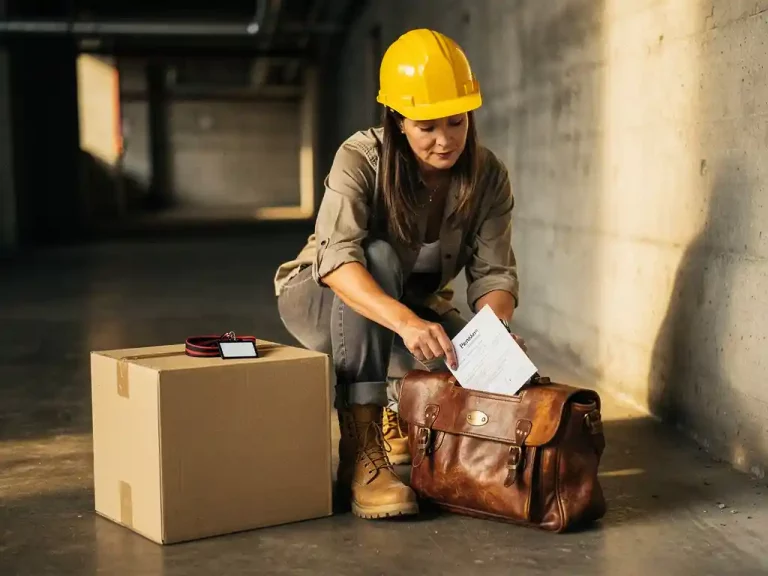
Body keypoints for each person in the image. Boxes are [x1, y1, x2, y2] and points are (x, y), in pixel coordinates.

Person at [273, 28, 523, 519]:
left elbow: (494, 276)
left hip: (406, 307)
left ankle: (396, 414)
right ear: (397, 120)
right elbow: (340, 261)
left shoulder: (488, 176)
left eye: (456, 122)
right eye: (427, 126)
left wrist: (495, 339)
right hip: (319, 298)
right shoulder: (361, 159)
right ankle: (360, 452)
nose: (444, 140)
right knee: (379, 255)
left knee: (469, 355)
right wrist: (407, 324)